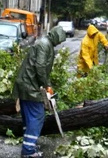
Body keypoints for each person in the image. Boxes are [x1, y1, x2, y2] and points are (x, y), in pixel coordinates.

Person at [13, 26, 67, 158]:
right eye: (59, 41)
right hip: (30, 86)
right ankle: (28, 150)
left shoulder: (44, 43)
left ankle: (29, 145)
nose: (58, 43)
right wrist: (47, 85)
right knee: (37, 116)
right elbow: (40, 66)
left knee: (28, 118)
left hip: (26, 84)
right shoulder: (45, 45)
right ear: (55, 36)